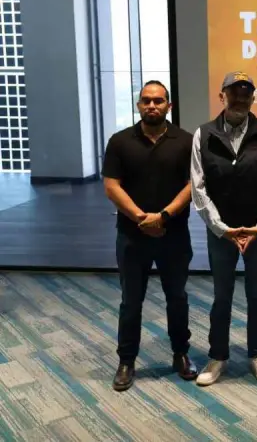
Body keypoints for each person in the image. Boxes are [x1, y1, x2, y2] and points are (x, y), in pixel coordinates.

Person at [103, 80, 198, 391]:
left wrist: (164, 216)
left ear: (169, 105)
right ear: (138, 105)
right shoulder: (120, 141)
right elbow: (111, 186)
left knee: (177, 298)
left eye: (158, 101)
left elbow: (193, 185)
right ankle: (126, 360)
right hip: (132, 236)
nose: (152, 105)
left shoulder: (185, 141)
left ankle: (181, 353)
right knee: (131, 301)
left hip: (174, 234)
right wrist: (141, 218)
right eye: (146, 100)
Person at [190, 72, 257, 386]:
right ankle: (217, 356)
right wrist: (222, 228)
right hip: (221, 233)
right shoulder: (203, 134)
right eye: (234, 93)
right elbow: (198, 188)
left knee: (256, 295)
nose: (240, 99)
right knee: (222, 297)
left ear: (253, 99)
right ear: (222, 96)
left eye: (246, 94)